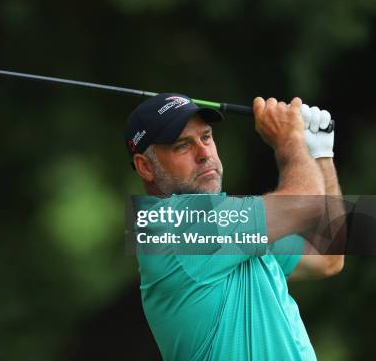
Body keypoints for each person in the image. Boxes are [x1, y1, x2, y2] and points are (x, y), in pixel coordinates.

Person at [124, 93, 345, 360]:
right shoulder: (172, 227)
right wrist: (290, 139)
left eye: (206, 137)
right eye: (182, 146)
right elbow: (306, 204)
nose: (204, 153)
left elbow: (329, 258)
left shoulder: (235, 227)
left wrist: (321, 155)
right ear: (145, 167)